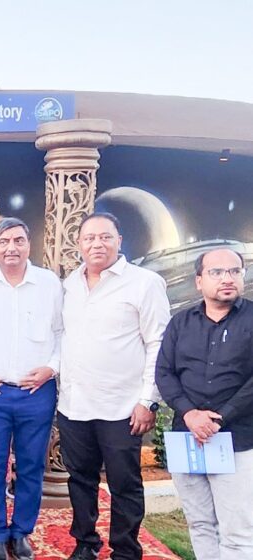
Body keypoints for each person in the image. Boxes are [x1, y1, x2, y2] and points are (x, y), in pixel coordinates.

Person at [58, 212, 170, 560]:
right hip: (74, 404)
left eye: (105, 236)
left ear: (119, 240)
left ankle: (125, 549)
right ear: (79, 244)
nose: (97, 244)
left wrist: (148, 400)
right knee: (80, 479)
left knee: (124, 483)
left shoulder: (144, 283)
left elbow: (158, 343)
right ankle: (85, 543)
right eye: (89, 238)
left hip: (122, 407)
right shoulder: (69, 285)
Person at [0, 217, 63, 560]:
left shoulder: (49, 283)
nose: (11, 248)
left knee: (31, 466)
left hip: (36, 392)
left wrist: (51, 368)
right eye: (4, 241)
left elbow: (62, 332)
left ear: (29, 244)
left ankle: (22, 531)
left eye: (18, 240)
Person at [156, 248, 253, 559]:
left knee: (238, 532)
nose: (227, 278)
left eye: (235, 271)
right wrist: (190, 414)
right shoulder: (180, 323)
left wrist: (219, 418)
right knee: (200, 524)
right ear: (199, 281)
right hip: (188, 437)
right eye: (217, 272)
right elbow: (164, 372)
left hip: (238, 439)